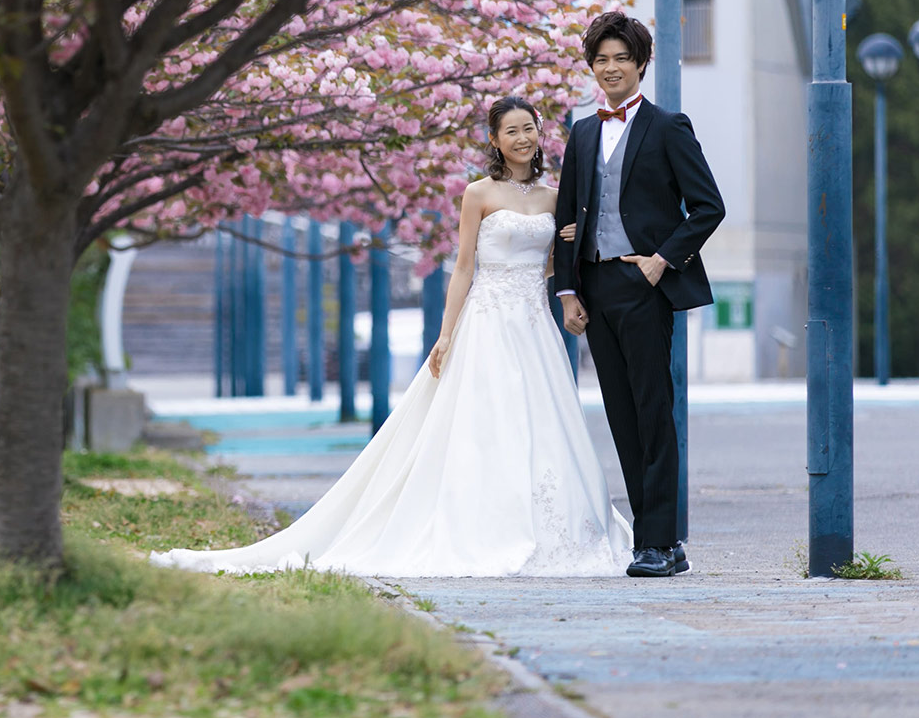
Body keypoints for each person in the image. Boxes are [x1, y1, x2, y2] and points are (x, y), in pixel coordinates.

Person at [151, 95, 630, 579]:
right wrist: (446, 335)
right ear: (494, 140)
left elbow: (546, 265)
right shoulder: (478, 193)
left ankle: (552, 524)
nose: (523, 138)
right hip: (486, 322)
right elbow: (465, 267)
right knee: (486, 419)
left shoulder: (552, 197)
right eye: (512, 131)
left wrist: (560, 258)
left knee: (543, 419)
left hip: (533, 324)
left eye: (529, 128)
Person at [552, 10, 725, 578]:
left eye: (620, 59)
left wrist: (660, 260)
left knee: (654, 413)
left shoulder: (669, 126)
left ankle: (657, 544)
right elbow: (566, 220)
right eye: (600, 60)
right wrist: (568, 290)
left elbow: (708, 207)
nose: (610, 69)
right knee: (622, 417)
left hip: (642, 284)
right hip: (596, 288)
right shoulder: (580, 133)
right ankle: (656, 540)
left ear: (640, 64)